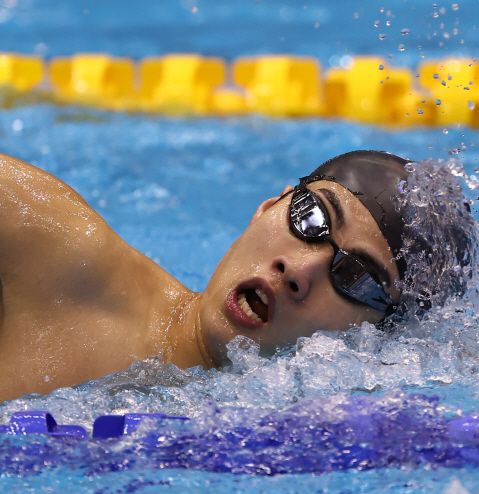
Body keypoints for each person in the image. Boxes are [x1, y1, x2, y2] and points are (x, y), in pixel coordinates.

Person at [0, 150, 414, 402]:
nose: (298, 270)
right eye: (311, 216)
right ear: (269, 207)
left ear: (371, 339)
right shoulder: (59, 252)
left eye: (356, 277)